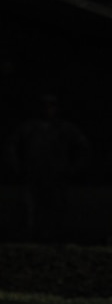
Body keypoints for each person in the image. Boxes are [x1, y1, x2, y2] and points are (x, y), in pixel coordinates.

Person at [10, 94, 91, 242]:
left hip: (57, 176)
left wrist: (73, 169)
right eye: (45, 105)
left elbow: (83, 148)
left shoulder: (65, 128)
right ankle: (33, 238)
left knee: (56, 210)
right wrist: (18, 168)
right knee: (33, 210)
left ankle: (55, 239)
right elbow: (13, 146)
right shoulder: (29, 128)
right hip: (33, 176)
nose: (48, 109)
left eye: (51, 105)